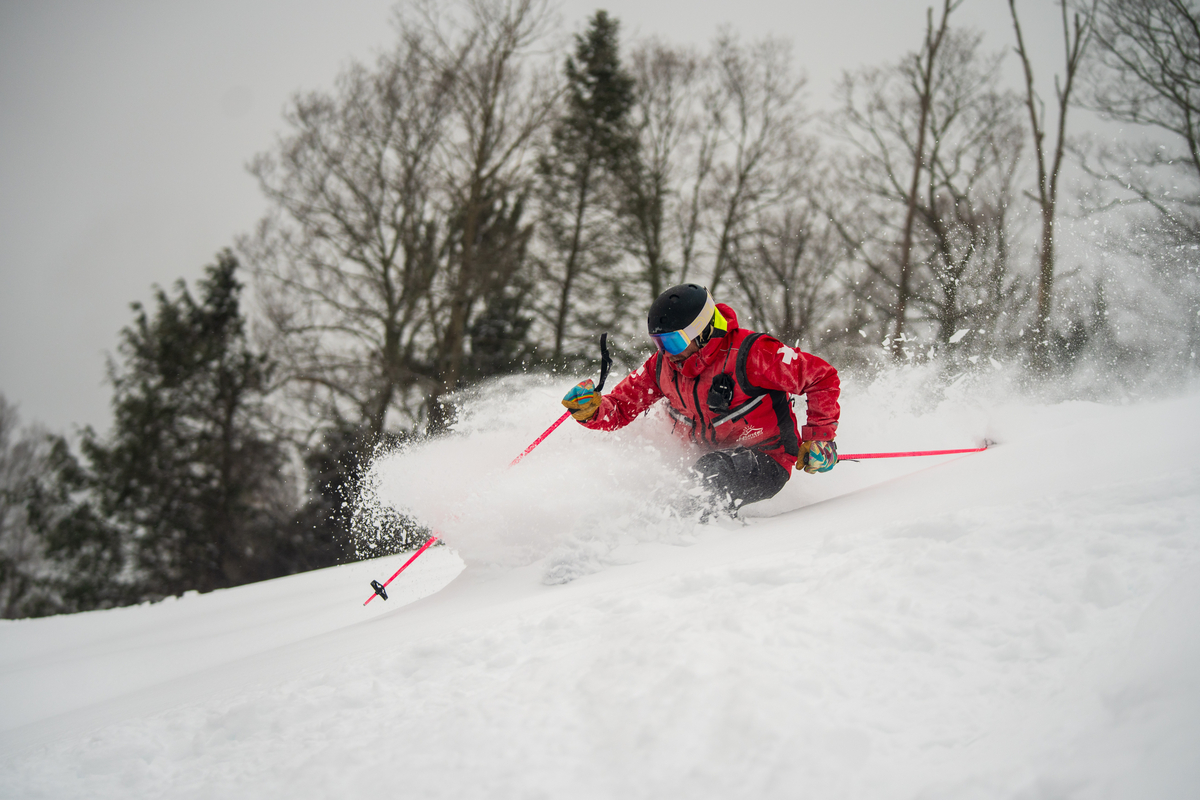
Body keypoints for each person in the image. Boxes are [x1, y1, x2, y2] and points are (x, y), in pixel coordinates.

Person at [561, 284, 840, 514]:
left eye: (673, 343)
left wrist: (820, 437)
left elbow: (821, 378)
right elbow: (620, 408)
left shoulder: (752, 354)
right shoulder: (661, 367)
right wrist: (593, 411)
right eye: (659, 343)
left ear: (702, 331)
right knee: (658, 481)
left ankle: (692, 544)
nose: (667, 353)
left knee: (711, 474)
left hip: (768, 457)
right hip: (700, 462)